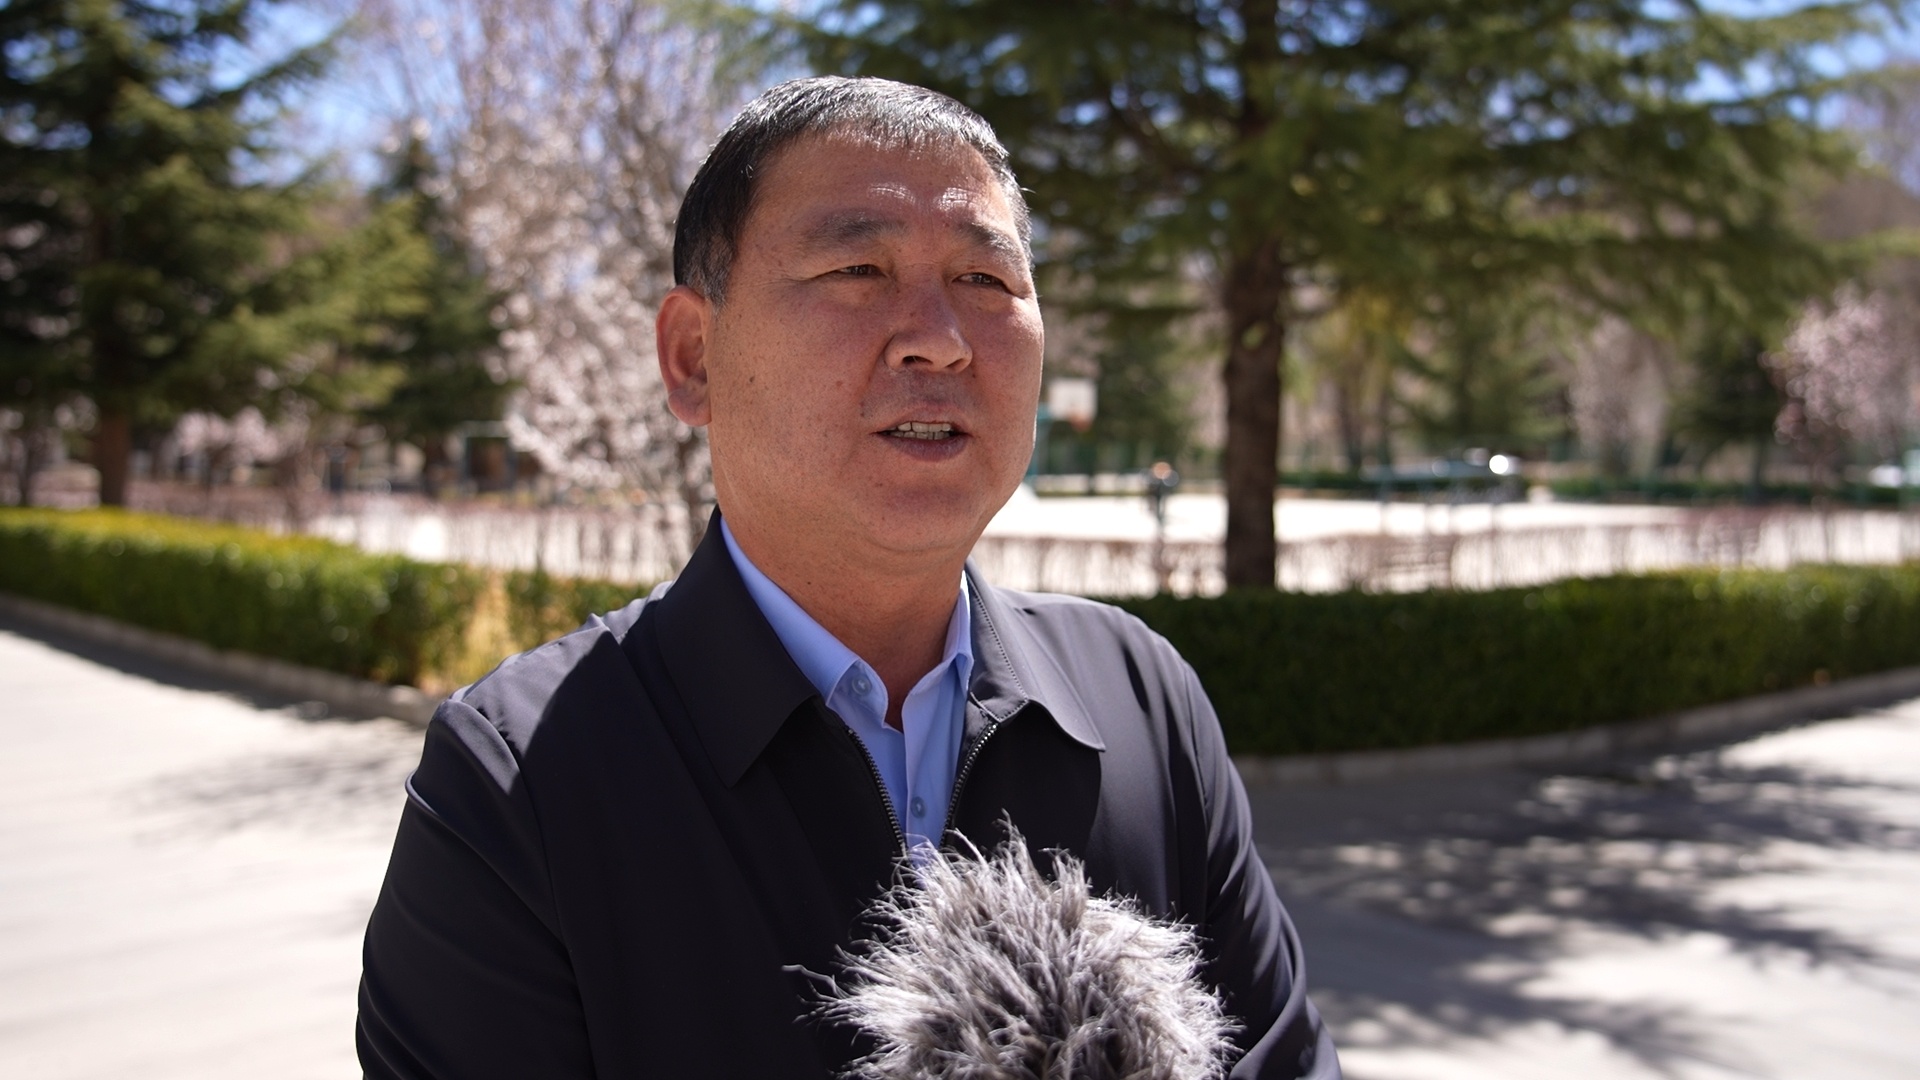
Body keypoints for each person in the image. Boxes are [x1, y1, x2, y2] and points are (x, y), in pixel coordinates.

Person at [356, 76, 1339, 1079]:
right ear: (693, 356)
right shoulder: (516, 787)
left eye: (986, 280)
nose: (939, 339)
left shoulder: (1140, 702)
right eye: (859, 267)